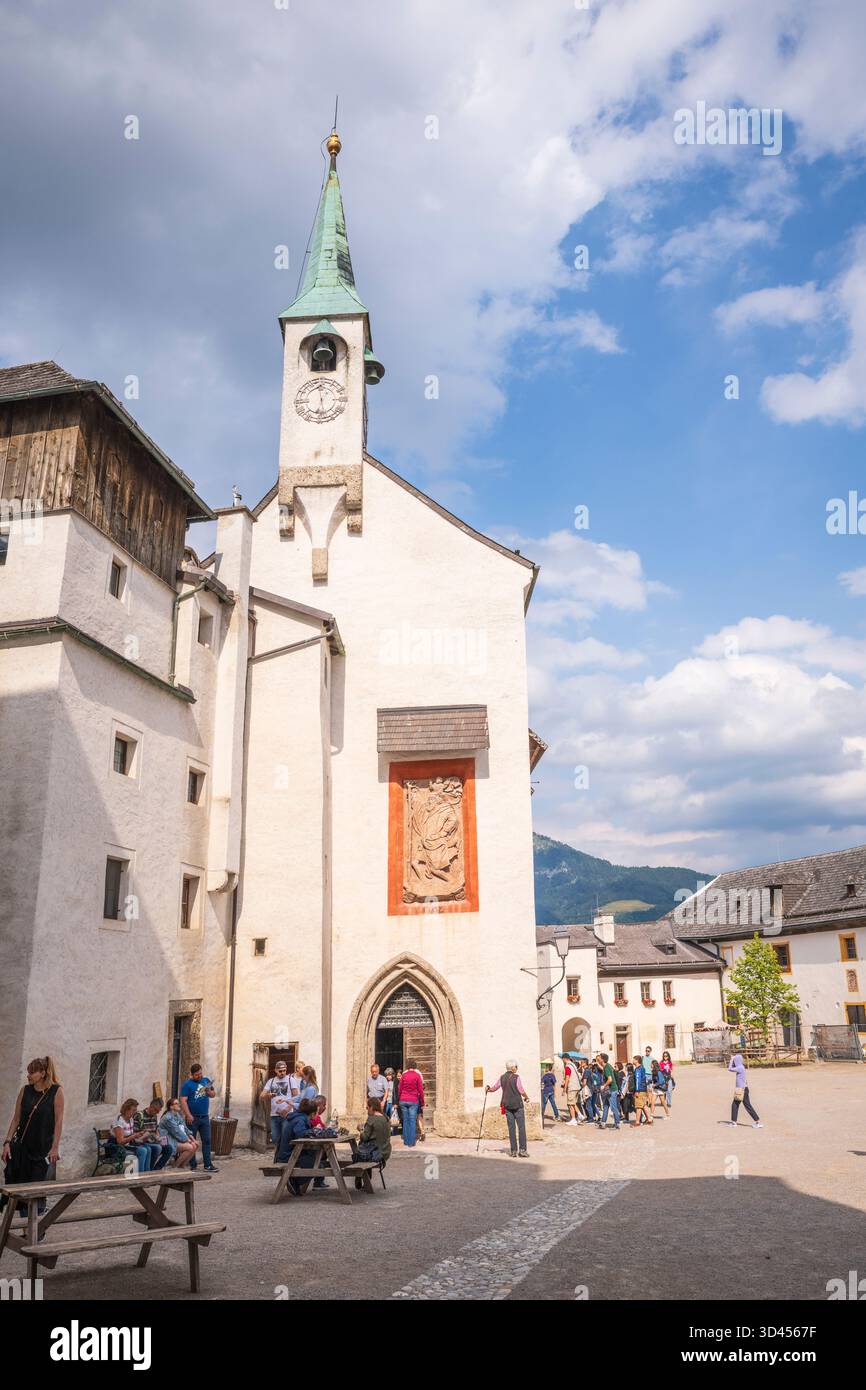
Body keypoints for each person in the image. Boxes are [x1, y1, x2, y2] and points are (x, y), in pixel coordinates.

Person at [2, 1056, 64, 1214]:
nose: (28, 1075)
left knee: (35, 1192)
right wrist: (7, 1143)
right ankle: (28, 1231)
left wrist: (55, 1148)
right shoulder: (25, 1090)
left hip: (42, 1149)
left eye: (32, 1072)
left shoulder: (56, 1092)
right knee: (21, 1189)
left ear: (42, 1073)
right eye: (28, 1072)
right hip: (23, 1149)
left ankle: (35, 1232)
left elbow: (58, 1122)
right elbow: (16, 1118)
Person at [274, 1099, 322, 1191]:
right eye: (316, 1112)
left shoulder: (297, 1117)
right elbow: (300, 1133)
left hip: (286, 1153)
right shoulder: (300, 1119)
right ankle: (294, 1181)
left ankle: (297, 1182)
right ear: (312, 1113)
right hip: (289, 1156)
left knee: (318, 1160)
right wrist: (314, 1130)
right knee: (316, 1165)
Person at [180, 1063, 219, 1172]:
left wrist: (208, 1091)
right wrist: (188, 1115)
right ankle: (193, 1165)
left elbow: (213, 1094)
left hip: (204, 1117)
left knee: (207, 1140)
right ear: (192, 1074)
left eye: (201, 1073)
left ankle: (208, 1165)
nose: (200, 1076)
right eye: (197, 1074)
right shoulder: (187, 1085)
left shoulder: (206, 1080)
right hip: (192, 1118)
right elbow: (183, 1101)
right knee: (192, 1142)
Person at [486, 1060, 530, 1158]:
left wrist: (488, 1090)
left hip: (507, 1106)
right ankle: (522, 1150)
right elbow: (521, 1090)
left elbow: (494, 1088)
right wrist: (526, 1097)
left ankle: (513, 1151)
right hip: (517, 1106)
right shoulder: (516, 1077)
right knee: (521, 1128)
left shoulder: (502, 1077)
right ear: (513, 1068)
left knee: (511, 1128)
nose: (517, 1068)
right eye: (516, 1066)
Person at [110, 1099, 154, 1172]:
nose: (135, 1112)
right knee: (142, 1151)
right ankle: (140, 1176)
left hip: (127, 1146)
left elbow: (130, 1136)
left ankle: (147, 1175)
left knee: (148, 1149)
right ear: (126, 1109)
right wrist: (134, 1136)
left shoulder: (130, 1120)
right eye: (133, 1110)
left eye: (135, 1110)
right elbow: (120, 1142)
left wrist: (140, 1135)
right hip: (117, 1149)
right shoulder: (119, 1121)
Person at [356, 1097, 392, 1184]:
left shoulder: (371, 1119)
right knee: (366, 1149)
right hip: (385, 1152)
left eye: (367, 1108)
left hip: (375, 1153)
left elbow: (364, 1137)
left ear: (371, 1107)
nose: (367, 1110)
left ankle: (360, 1178)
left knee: (358, 1153)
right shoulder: (386, 1118)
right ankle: (365, 1179)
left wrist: (360, 1130)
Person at [261, 1060, 296, 1144]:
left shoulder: (291, 1080)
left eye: (284, 1070)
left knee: (286, 1138)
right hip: (274, 1115)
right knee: (275, 1138)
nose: (283, 1073)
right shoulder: (271, 1081)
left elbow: (296, 1097)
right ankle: (278, 1156)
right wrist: (268, 1095)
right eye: (280, 1071)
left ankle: (284, 1156)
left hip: (287, 1114)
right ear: (275, 1070)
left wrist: (287, 1109)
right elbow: (262, 1096)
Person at [727, 1050, 763, 1128]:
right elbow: (732, 1067)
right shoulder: (740, 1067)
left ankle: (757, 1122)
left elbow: (729, 1069)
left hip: (742, 1090)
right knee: (736, 1105)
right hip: (742, 1089)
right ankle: (734, 1122)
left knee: (745, 1105)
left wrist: (731, 1060)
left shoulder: (740, 1068)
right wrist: (733, 1059)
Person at [159, 1099, 198, 1168]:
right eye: (176, 1103)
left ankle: (182, 1166)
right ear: (171, 1107)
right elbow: (177, 1132)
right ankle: (175, 1167)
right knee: (190, 1147)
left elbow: (185, 1128)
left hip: (176, 1140)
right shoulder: (168, 1118)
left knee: (195, 1145)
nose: (179, 1105)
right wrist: (188, 1140)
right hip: (168, 1141)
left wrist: (193, 1139)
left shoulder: (177, 1115)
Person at [134, 1098, 170, 1169]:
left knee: (169, 1148)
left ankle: (155, 1169)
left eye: (159, 1111)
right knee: (157, 1148)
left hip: (153, 1141)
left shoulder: (154, 1116)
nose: (157, 1112)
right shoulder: (139, 1115)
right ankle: (149, 1170)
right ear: (151, 1106)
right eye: (156, 1110)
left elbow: (156, 1130)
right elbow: (135, 1133)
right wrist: (146, 1136)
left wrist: (159, 1137)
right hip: (143, 1141)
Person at [398, 1059, 424, 1147]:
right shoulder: (417, 1076)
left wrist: (399, 1098)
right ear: (415, 1066)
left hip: (403, 1100)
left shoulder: (404, 1075)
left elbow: (400, 1088)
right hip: (413, 1100)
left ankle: (406, 1140)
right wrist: (422, 1102)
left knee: (405, 1120)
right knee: (412, 1120)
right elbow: (420, 1090)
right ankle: (411, 1142)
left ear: (408, 1066)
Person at [598, 1052, 622, 1130]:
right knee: (605, 1106)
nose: (598, 1059)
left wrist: (603, 1086)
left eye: (600, 1058)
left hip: (611, 1090)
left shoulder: (607, 1067)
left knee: (613, 1107)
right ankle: (603, 1123)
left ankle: (617, 1123)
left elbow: (610, 1079)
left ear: (603, 1060)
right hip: (609, 1091)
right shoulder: (607, 1066)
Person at [632, 1055, 653, 1125]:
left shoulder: (638, 1069)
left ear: (637, 1060)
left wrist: (637, 1091)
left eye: (633, 1059)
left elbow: (638, 1080)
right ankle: (649, 1119)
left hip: (640, 1090)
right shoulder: (643, 1068)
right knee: (643, 1105)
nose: (632, 1061)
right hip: (644, 1089)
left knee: (638, 1106)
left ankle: (637, 1122)